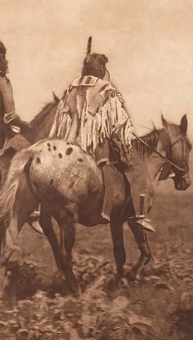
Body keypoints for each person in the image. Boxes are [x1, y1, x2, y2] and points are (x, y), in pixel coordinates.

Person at [49, 43, 152, 229]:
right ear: (102, 69)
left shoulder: (72, 86)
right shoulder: (106, 89)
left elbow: (61, 116)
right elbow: (119, 122)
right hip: (95, 144)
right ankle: (139, 214)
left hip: (69, 141)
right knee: (135, 167)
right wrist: (124, 139)